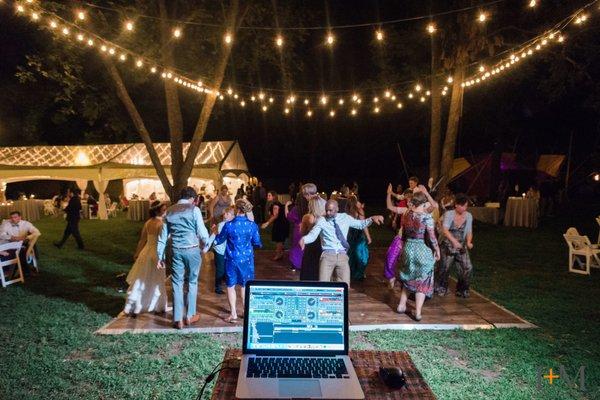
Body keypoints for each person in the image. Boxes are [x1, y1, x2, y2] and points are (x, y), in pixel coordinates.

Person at [157, 186, 210, 329]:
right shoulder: (194, 209)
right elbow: (203, 233)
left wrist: (159, 256)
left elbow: (163, 237)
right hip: (192, 250)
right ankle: (190, 315)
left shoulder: (169, 210)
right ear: (192, 198)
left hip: (176, 250)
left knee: (177, 283)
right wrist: (206, 245)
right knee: (192, 282)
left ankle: (178, 318)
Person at [300, 199, 384, 286]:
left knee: (344, 286)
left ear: (337, 209)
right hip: (327, 256)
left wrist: (371, 219)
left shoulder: (345, 218)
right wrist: (304, 240)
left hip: (342, 256)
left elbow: (360, 224)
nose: (328, 213)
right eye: (327, 210)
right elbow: (313, 235)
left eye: (331, 210)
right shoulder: (322, 220)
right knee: (323, 285)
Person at [212, 199, 262, 323]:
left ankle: (233, 313)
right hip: (246, 260)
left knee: (230, 286)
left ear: (237, 210)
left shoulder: (229, 225)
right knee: (245, 286)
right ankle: (245, 312)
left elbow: (219, 240)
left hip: (232, 259)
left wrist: (214, 233)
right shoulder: (252, 225)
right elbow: (257, 243)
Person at [396, 192, 441, 322]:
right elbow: (432, 238)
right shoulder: (427, 218)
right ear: (424, 203)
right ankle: (418, 312)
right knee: (423, 279)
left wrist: (403, 249)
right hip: (422, 249)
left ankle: (401, 305)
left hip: (408, 248)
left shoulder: (406, 215)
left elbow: (403, 234)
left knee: (408, 275)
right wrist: (437, 250)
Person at [123, 203, 168, 316]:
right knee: (156, 279)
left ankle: (135, 303)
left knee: (142, 277)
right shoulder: (162, 224)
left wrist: (137, 252)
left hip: (146, 252)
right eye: (164, 209)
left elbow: (142, 240)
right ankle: (157, 304)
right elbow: (163, 241)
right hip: (157, 254)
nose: (166, 211)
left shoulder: (147, 223)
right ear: (158, 211)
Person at [435, 194, 474, 298]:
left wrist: (469, 241)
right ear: (456, 205)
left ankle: (462, 289)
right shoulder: (449, 214)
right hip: (448, 244)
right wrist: (453, 241)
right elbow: (445, 230)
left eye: (466, 206)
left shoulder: (468, 216)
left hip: (461, 245)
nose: (464, 208)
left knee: (467, 267)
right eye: (463, 206)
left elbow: (469, 231)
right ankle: (441, 287)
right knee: (445, 267)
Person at [384, 184, 410, 288]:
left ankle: (407, 284)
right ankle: (391, 277)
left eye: (409, 198)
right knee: (390, 257)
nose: (408, 200)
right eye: (406, 198)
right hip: (400, 238)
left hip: (412, 241)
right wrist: (388, 194)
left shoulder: (420, 212)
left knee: (407, 263)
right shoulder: (405, 210)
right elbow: (389, 207)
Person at [0, 211, 41, 277]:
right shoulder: (6, 223)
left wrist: (27, 238)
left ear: (19, 217)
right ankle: (24, 270)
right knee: (19, 251)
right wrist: (12, 238)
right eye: (11, 217)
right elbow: (1, 234)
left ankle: (21, 270)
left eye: (15, 217)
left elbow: (37, 232)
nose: (13, 219)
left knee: (22, 250)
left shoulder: (26, 224)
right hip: (9, 243)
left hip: (21, 244)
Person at [209, 206, 235, 294]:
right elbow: (217, 235)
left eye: (227, 214)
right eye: (225, 213)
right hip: (219, 250)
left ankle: (224, 280)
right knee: (220, 268)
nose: (225, 215)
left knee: (226, 266)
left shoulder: (232, 225)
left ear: (232, 216)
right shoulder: (221, 224)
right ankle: (218, 287)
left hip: (226, 251)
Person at [299, 197, 326, 281]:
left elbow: (302, 232)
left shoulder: (307, 217)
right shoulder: (325, 218)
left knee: (309, 267)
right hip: (321, 244)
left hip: (310, 245)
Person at [346, 195, 371, 281]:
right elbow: (364, 225)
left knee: (352, 254)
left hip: (351, 235)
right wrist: (368, 237)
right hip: (357, 236)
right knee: (361, 255)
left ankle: (353, 273)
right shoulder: (355, 210)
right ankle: (358, 273)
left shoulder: (348, 211)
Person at [261, 191, 289, 261]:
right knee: (280, 240)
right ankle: (280, 253)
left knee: (279, 240)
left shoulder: (275, 204)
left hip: (280, 224)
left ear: (273, 196)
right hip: (281, 224)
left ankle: (278, 255)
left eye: (269, 195)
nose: (268, 197)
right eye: (268, 195)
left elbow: (275, 215)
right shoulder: (274, 203)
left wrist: (267, 223)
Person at [285, 195, 308, 271]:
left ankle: (295, 265)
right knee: (304, 246)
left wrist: (286, 206)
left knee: (296, 246)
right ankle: (304, 264)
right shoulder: (309, 208)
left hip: (298, 229)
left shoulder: (296, 209)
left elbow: (288, 217)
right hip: (307, 228)